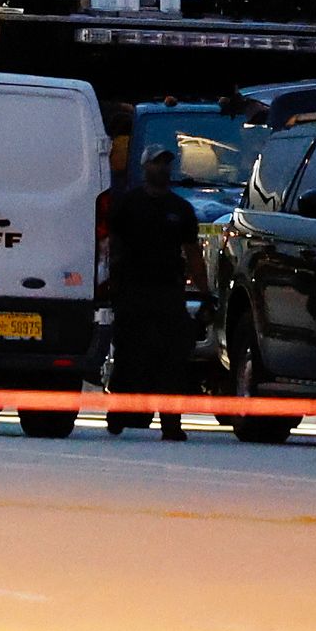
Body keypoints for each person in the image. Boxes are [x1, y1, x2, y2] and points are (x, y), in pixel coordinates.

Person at [101, 142, 208, 438]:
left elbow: (192, 252)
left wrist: (205, 292)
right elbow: (108, 245)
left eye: (166, 163)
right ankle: (118, 415)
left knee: (171, 360)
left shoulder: (180, 209)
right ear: (145, 167)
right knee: (128, 355)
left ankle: (171, 424)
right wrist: (108, 283)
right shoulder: (127, 204)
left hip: (167, 294)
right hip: (132, 292)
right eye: (156, 163)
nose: (162, 168)